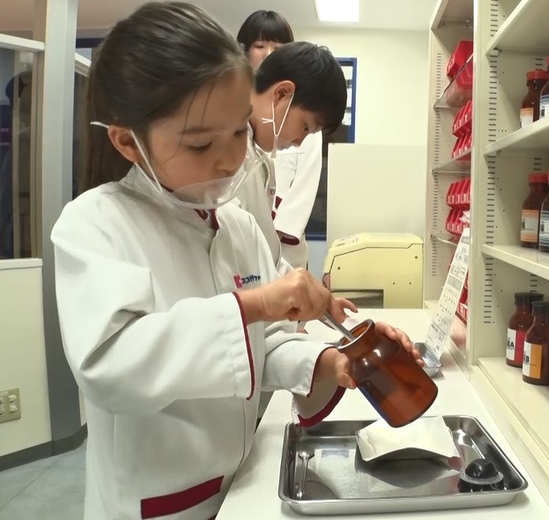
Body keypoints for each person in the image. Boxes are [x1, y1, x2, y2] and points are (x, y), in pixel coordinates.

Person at [51, 3, 421, 519]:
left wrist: (332, 363)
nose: (229, 160)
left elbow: (264, 345)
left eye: (239, 134)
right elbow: (109, 367)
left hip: (240, 482)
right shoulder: (95, 224)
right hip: (158, 501)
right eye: (201, 143)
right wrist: (253, 304)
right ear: (128, 142)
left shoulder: (238, 226)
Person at [237, 11, 326, 269]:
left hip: (285, 244)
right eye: (259, 46)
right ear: (245, 51)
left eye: (278, 48)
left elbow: (305, 185)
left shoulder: (303, 117)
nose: (268, 54)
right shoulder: (234, 117)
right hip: (249, 241)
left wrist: (278, 231)